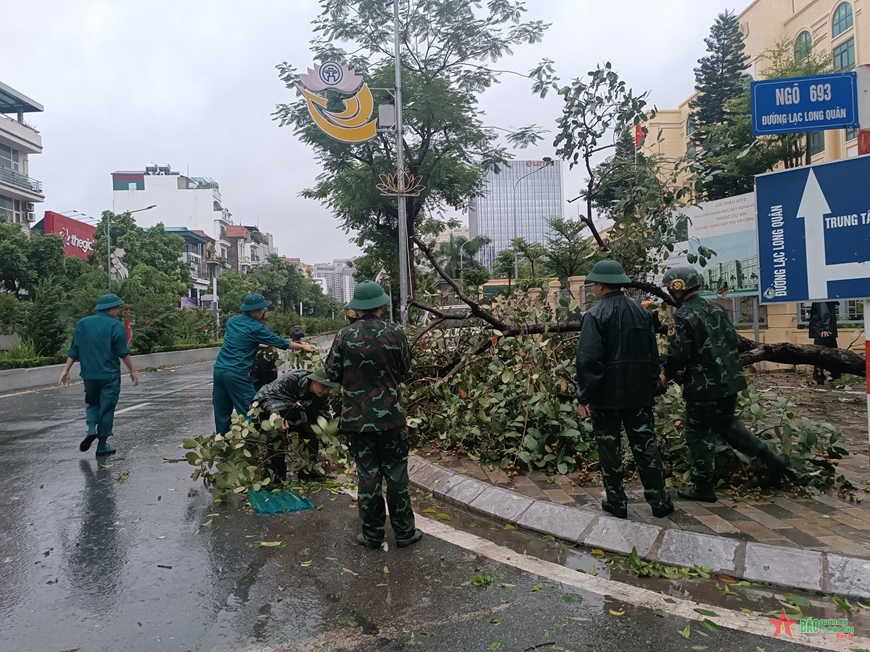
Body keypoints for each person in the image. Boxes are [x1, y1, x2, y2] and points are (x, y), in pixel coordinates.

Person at [660, 267, 787, 502]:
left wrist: (665, 377)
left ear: (678, 288)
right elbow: (732, 339)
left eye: (670, 287)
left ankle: (703, 487)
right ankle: (771, 459)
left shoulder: (682, 316)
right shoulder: (717, 308)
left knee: (699, 435)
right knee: (727, 425)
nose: (668, 292)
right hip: (729, 380)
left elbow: (678, 355)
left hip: (703, 386)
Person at [324, 281, 420, 549]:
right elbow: (405, 372)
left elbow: (331, 375)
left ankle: (372, 535)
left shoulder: (344, 336)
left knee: (368, 475)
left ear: (358, 308)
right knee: (397, 473)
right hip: (391, 417)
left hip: (357, 420)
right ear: (380, 305)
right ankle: (404, 533)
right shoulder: (396, 334)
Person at [575, 260, 674, 519]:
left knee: (610, 450)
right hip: (639, 396)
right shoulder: (641, 313)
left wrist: (584, 395)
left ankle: (617, 503)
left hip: (606, 400)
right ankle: (659, 503)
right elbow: (653, 355)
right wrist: (654, 384)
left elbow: (588, 360)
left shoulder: (594, 316)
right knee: (646, 447)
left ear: (598, 285)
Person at [212, 293, 315, 435]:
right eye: (261, 310)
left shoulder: (232, 321)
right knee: (251, 409)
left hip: (219, 370)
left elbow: (239, 341)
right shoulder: (256, 327)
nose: (263, 312)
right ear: (254, 311)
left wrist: (258, 344)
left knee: (222, 409)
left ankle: (223, 444)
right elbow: (280, 342)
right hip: (237, 373)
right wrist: (303, 347)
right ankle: (251, 443)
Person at [59, 294, 139, 457]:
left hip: (89, 374)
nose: (118, 310)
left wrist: (66, 370)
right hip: (109, 375)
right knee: (107, 408)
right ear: (111, 308)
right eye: (117, 308)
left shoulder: (83, 323)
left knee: (93, 403)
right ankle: (102, 445)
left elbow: (75, 349)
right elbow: (123, 352)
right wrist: (132, 370)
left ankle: (90, 429)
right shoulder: (115, 325)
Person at [252, 367, 338, 481]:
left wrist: (328, 450)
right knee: (276, 435)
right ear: (314, 381)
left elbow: (324, 417)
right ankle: (278, 471)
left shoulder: (322, 397)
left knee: (312, 431)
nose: (326, 391)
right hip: (272, 411)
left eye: (329, 388)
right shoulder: (291, 380)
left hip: (299, 413)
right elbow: (269, 396)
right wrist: (276, 415)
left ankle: (308, 470)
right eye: (324, 387)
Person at [809, 301, 841, 385]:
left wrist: (824, 328)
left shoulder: (820, 296)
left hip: (822, 331)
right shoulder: (828, 296)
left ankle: (818, 377)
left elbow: (823, 311)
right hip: (829, 330)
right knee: (833, 354)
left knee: (818, 354)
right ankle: (835, 377)